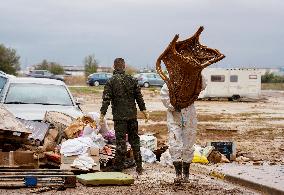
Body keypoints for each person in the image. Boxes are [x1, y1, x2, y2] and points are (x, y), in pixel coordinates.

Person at [99, 58, 149, 174]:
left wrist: (102, 114)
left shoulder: (111, 82)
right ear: (124, 66)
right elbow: (139, 97)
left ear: (114, 67)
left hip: (120, 118)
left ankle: (118, 168)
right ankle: (139, 167)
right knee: (135, 141)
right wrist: (144, 110)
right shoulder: (132, 80)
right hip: (132, 116)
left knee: (121, 142)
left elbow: (106, 100)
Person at [160, 77, 206, 184]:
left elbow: (203, 85)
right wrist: (173, 106)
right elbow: (164, 95)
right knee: (174, 143)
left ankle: (186, 175)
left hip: (189, 115)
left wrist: (198, 72)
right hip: (174, 116)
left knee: (188, 144)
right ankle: (178, 174)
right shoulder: (171, 82)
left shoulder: (193, 81)